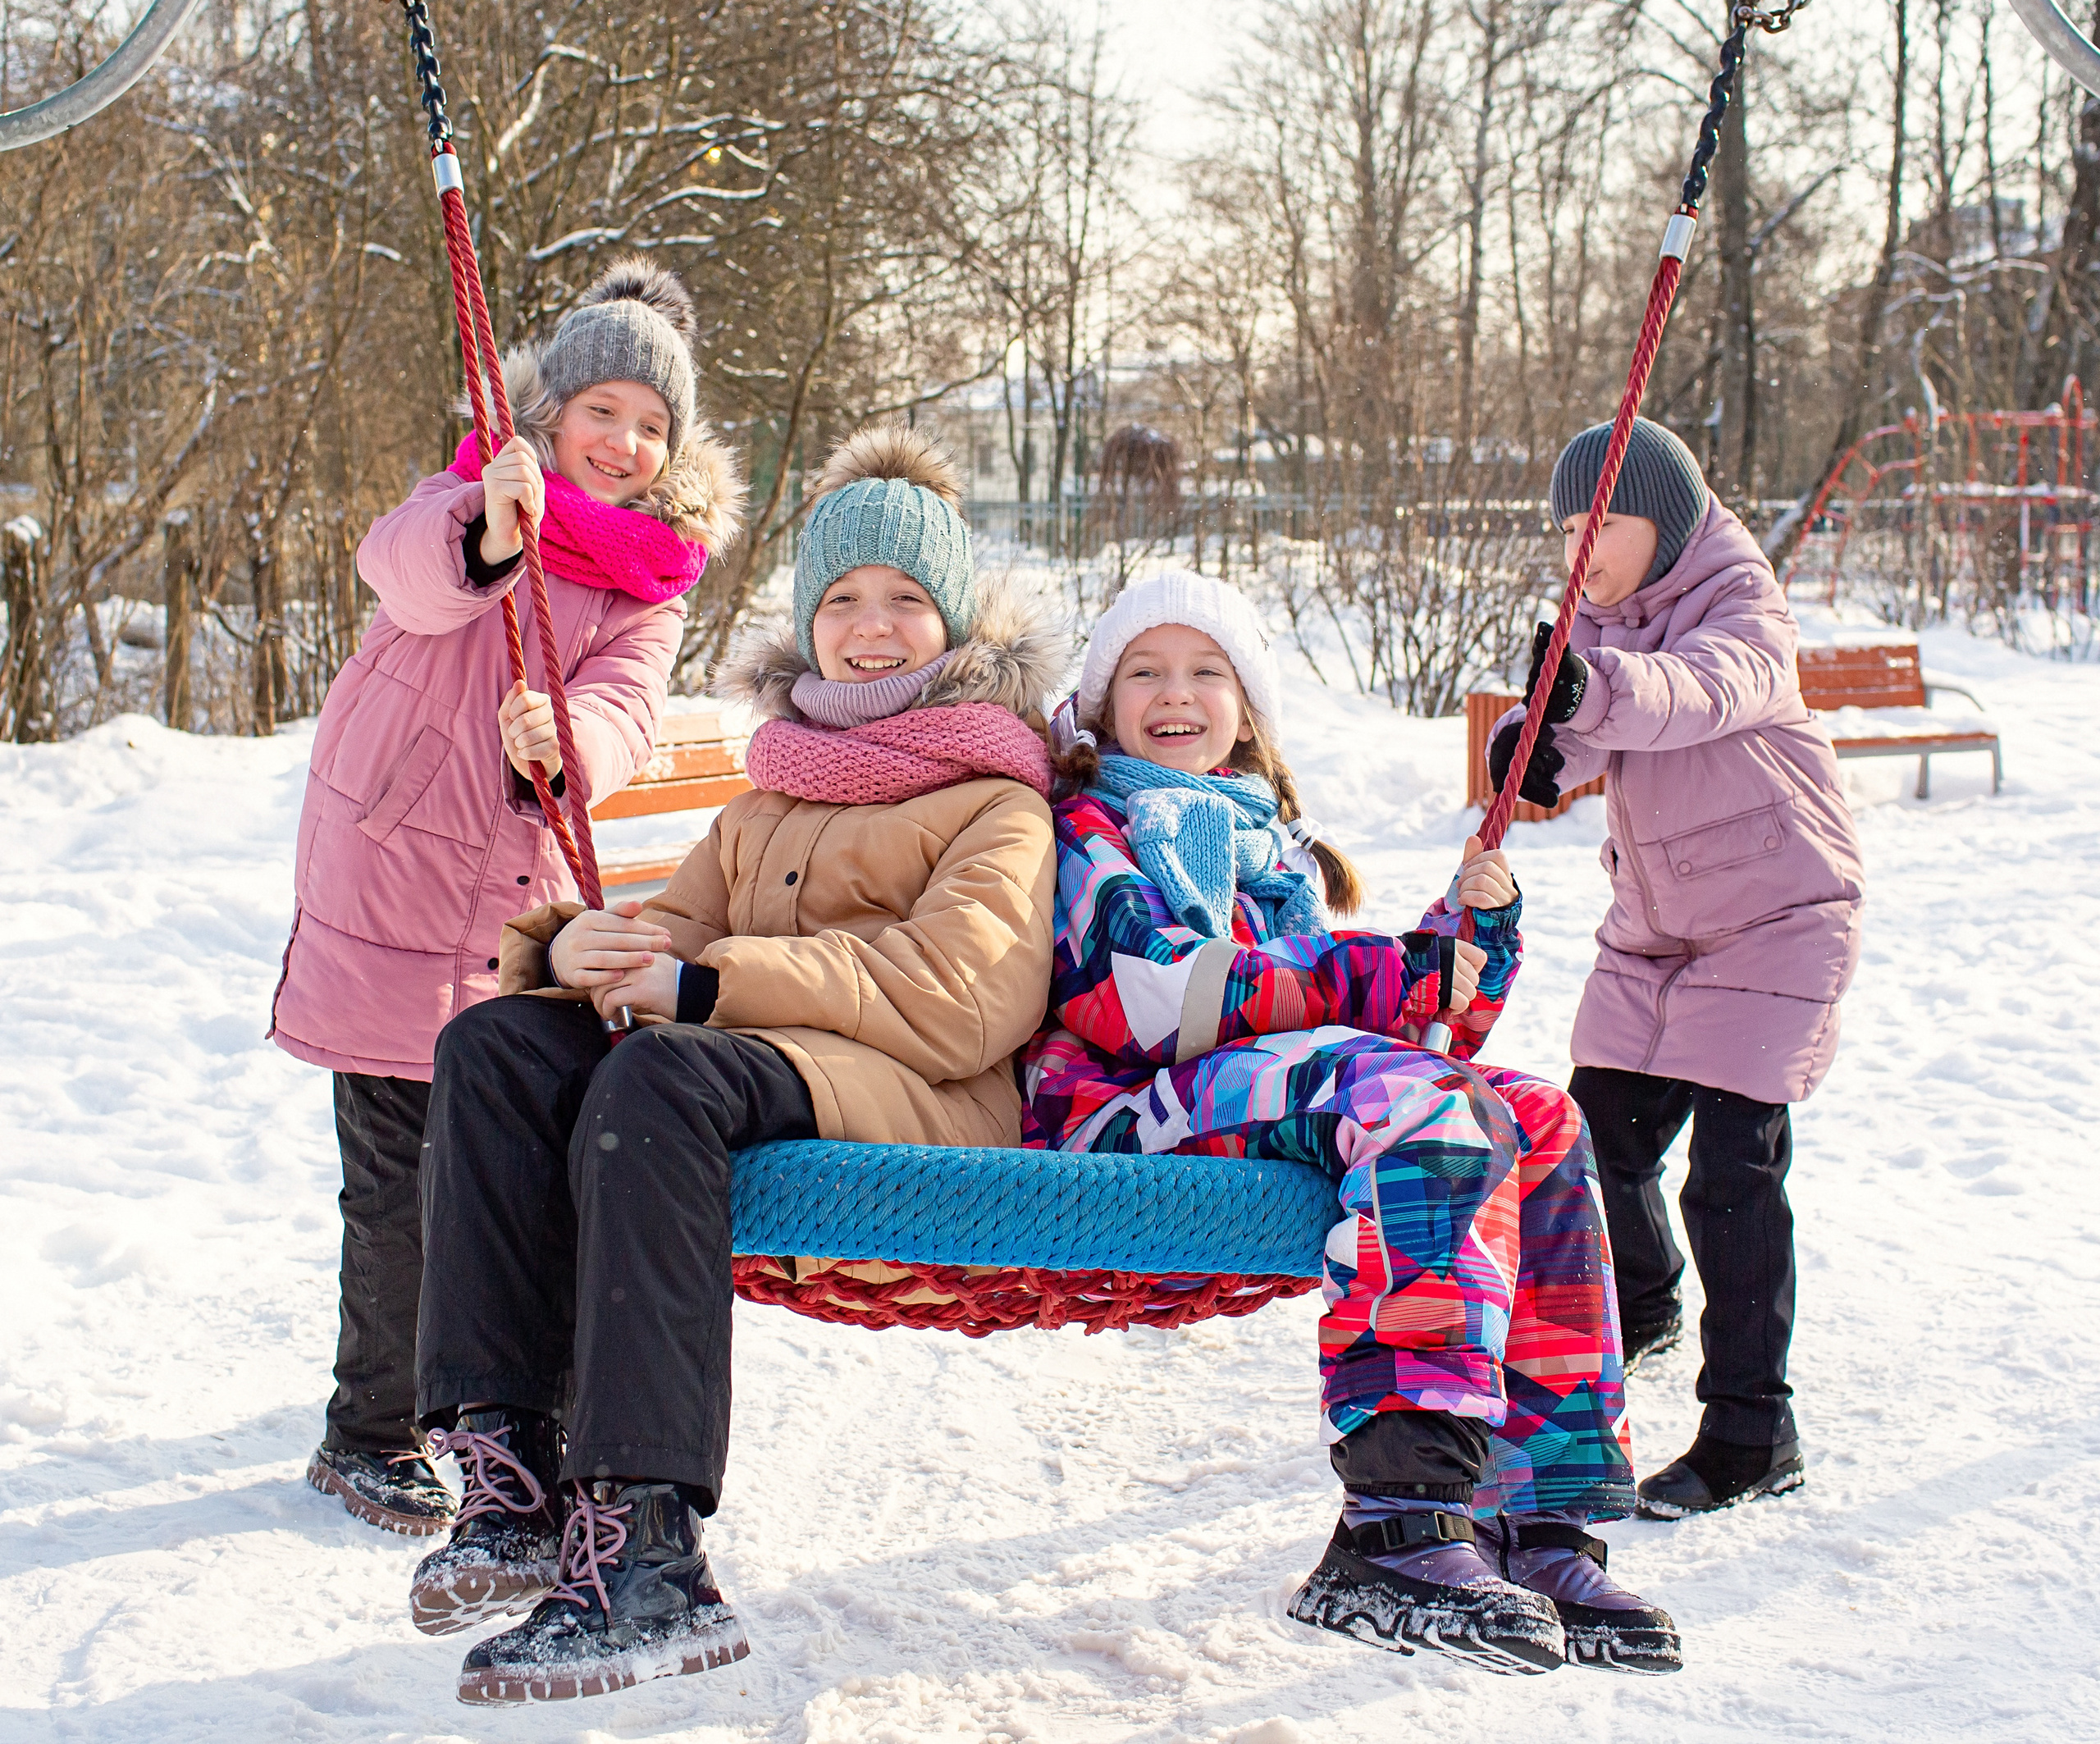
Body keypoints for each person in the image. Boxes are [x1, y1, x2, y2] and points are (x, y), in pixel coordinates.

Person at [404, 425, 1066, 1705]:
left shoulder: (998, 798)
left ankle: (649, 1549)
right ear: (808, 624)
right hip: (757, 1065)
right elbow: (676, 937)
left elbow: (959, 999)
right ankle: (511, 1475)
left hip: (918, 1097)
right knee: (494, 1043)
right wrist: (573, 950)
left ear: (956, 622)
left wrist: (709, 986)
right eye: (842, 600)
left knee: (659, 1076)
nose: (870, 628)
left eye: (904, 599)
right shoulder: (770, 800)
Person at [1026, 570, 1678, 1678]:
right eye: (1144, 671)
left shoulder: (1267, 846)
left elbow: (1397, 1036)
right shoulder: (1091, 829)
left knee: (1539, 1120)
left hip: (1250, 1099)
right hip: (1121, 1113)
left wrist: (1464, 946)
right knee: (1423, 1107)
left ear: (1247, 711)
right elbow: (1151, 995)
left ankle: (1532, 1513)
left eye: (1206, 671)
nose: (1175, 692)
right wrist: (1380, 970)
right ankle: (1399, 1516)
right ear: (1101, 704)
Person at [272, 260, 743, 1536]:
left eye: (652, 425)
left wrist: (566, 745)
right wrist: (487, 533)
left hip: (507, 893)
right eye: (603, 412)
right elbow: (396, 570)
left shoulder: (652, 579)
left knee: (502, 1168)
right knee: (397, 1176)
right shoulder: (478, 485)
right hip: (386, 865)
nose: (625, 443)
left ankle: (506, 1406)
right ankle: (368, 1429)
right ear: (553, 412)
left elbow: (627, 705)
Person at [1490, 416, 1865, 1518]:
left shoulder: (1742, 604)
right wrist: (1536, 745)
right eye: (1566, 526)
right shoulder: (1596, 622)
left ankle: (1755, 1429)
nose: (1581, 546)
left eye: (1604, 520)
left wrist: (1589, 689)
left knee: (1731, 1174)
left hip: (1777, 917)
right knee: (1592, 1134)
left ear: (1669, 518)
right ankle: (1644, 1299)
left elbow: (1695, 691)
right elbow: (1592, 726)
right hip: (1657, 931)